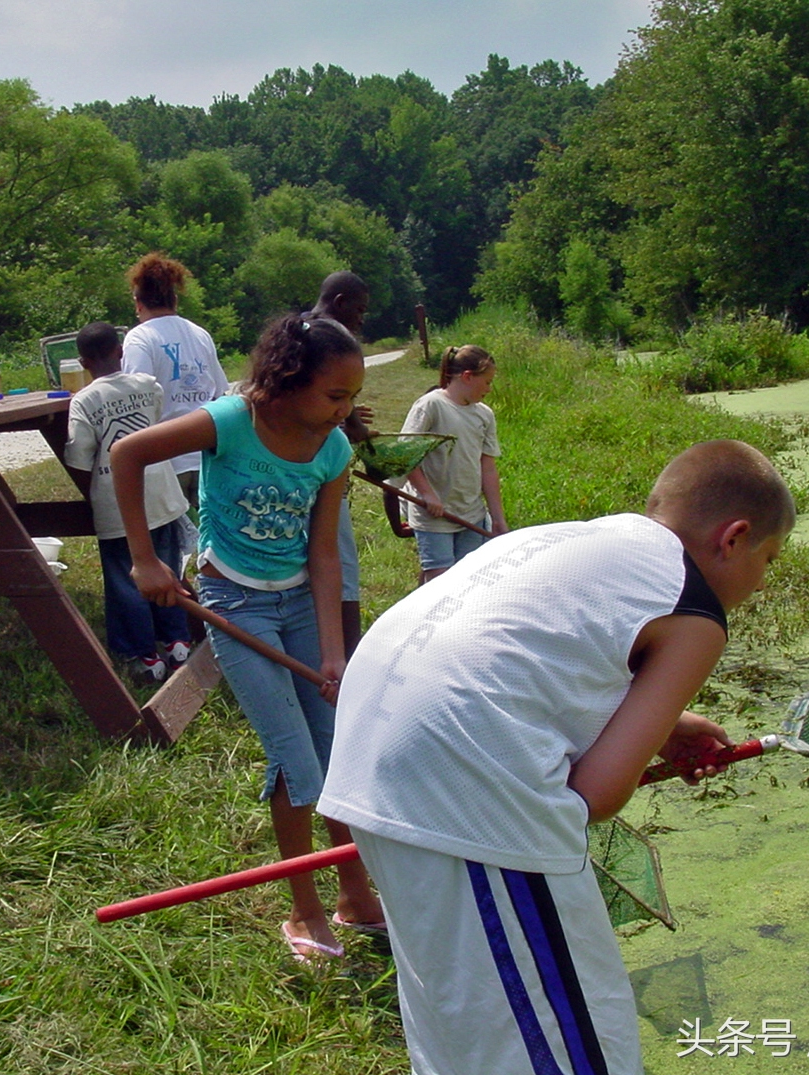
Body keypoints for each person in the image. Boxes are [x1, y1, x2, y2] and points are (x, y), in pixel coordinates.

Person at [318, 439, 796, 1074]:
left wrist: (666, 725)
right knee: (568, 1043)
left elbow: (529, 654)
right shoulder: (697, 614)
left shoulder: (576, 538)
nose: (763, 582)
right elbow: (597, 792)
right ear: (733, 538)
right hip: (468, 788)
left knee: (461, 1018)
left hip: (370, 758)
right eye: (769, 558)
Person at [110, 312, 386, 963]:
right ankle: (303, 909)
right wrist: (145, 559)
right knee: (296, 763)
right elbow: (128, 453)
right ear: (287, 380)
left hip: (297, 604)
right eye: (334, 395)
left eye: (350, 396)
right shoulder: (231, 421)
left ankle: (354, 894)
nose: (344, 410)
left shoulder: (334, 451)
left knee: (335, 754)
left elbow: (323, 557)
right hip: (235, 605)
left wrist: (330, 653)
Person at [63, 322, 191, 682]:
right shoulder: (148, 386)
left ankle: (144, 656)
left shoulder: (85, 401)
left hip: (117, 503)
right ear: (120, 351)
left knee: (126, 582)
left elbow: (79, 458)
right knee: (169, 569)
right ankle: (177, 641)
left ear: (82, 362)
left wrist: (93, 494)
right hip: (161, 493)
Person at [121, 252, 231, 506]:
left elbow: (137, 402)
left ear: (138, 303)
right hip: (206, 456)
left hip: (167, 460)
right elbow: (220, 393)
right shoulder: (200, 334)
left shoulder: (139, 338)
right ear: (175, 299)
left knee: (174, 544)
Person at [397, 344, 509, 583]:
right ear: (467, 377)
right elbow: (405, 455)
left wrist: (497, 518)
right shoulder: (431, 405)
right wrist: (427, 494)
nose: (489, 389)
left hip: (471, 513)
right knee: (439, 583)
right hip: (434, 516)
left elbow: (487, 468)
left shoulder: (484, 415)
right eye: (487, 382)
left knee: (467, 583)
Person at [309, 270, 372, 655]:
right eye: (359, 309)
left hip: (295, 464)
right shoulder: (329, 339)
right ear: (339, 302)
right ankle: (349, 651)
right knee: (339, 561)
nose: (361, 319)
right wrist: (357, 431)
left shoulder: (297, 329)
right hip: (317, 468)